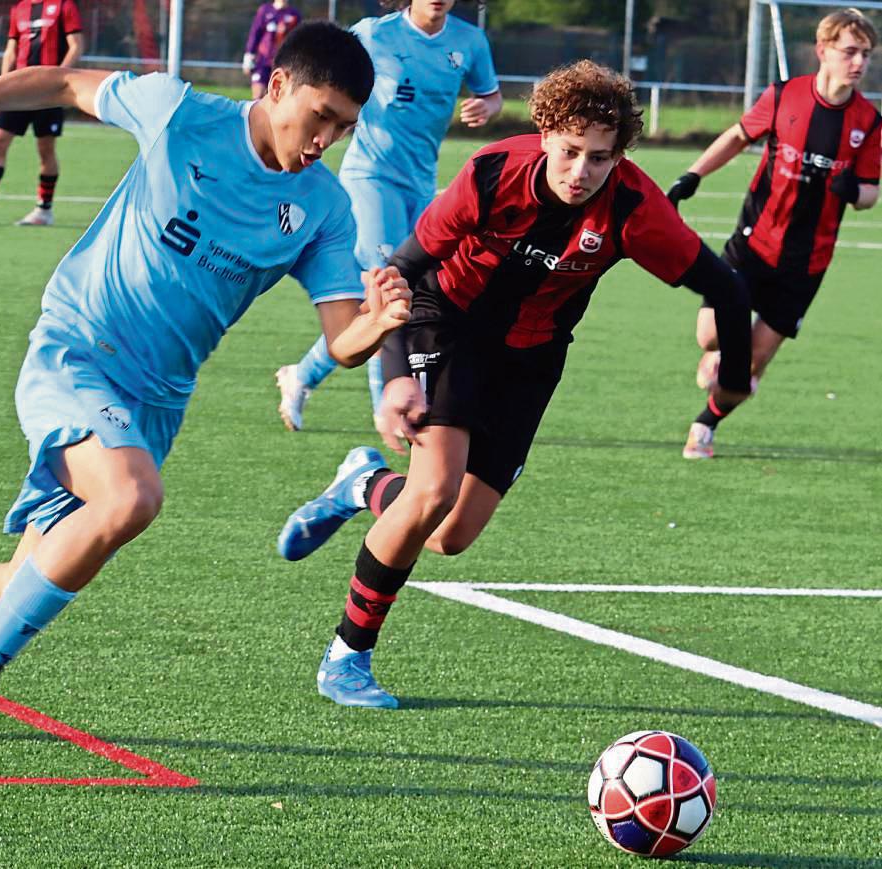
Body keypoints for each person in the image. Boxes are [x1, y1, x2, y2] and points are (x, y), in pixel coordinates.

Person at [0, 22, 411, 747]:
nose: (325, 139)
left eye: (342, 126)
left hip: (156, 402)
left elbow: (340, 339)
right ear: (276, 86)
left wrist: (380, 320)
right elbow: (58, 82)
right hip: (77, 351)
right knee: (131, 497)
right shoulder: (179, 113)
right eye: (319, 116)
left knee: (21, 578)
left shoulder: (324, 210)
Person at [276, 60, 754, 709]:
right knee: (432, 492)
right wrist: (392, 378)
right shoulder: (492, 174)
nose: (580, 170)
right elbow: (400, 272)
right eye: (568, 151)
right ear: (545, 131)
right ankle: (347, 657)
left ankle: (363, 483)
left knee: (449, 534)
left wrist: (728, 383)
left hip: (530, 357)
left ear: (619, 157)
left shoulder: (634, 208)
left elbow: (724, 288)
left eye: (599, 158)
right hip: (444, 320)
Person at [274, 0, 501, 434]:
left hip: (422, 185)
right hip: (371, 178)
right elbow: (326, 77)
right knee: (389, 289)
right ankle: (389, 412)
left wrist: (486, 108)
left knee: (396, 298)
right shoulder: (374, 36)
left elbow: (489, 94)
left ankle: (302, 375)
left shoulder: (470, 42)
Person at [667, 7, 880, 460]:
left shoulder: (869, 123)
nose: (859, 62)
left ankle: (705, 425)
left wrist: (852, 189)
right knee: (710, 337)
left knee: (748, 369)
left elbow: (869, 195)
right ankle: (718, 356)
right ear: (823, 51)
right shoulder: (785, 96)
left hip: (806, 264)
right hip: (753, 243)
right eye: (850, 51)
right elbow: (737, 136)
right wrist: (692, 175)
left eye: (866, 54)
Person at [0, 0, 84, 227]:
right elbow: (11, 51)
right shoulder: (19, 9)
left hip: (49, 94)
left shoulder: (64, 6)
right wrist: (0, 88)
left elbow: (76, 45)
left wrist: (60, 79)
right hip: (18, 92)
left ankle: (44, 210)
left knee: (45, 149)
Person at [242, 0, 302, 101]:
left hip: (284, 63)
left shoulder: (294, 15)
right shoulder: (264, 11)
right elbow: (255, 34)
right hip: (263, 61)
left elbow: (299, 40)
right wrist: (249, 56)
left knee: (278, 98)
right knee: (258, 95)